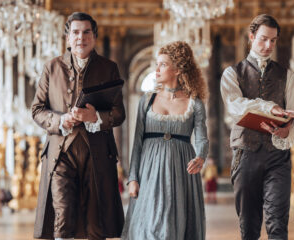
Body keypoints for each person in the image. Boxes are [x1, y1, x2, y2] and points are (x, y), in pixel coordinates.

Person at [31, 12, 125, 240]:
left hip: (98, 155)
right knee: (62, 215)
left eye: (86, 32)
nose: (80, 38)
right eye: (75, 32)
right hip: (60, 154)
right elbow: (37, 110)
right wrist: (60, 120)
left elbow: (119, 114)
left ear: (93, 36)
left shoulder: (109, 67)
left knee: (95, 223)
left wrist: (95, 117)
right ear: (67, 37)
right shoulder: (51, 67)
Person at [220, 14, 294, 240]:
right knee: (249, 227)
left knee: (278, 224)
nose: (269, 45)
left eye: (274, 40)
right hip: (245, 154)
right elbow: (236, 106)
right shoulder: (232, 74)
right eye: (263, 39)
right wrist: (270, 108)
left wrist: (288, 130)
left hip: (278, 157)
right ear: (251, 37)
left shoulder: (287, 76)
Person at [122, 41, 209, 240]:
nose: (157, 69)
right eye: (157, 63)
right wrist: (133, 178)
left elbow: (203, 138)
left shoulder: (194, 103)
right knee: (148, 226)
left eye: (162, 64)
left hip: (181, 172)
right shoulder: (147, 100)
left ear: (177, 69)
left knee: (174, 225)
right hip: (149, 171)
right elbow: (137, 143)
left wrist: (200, 157)